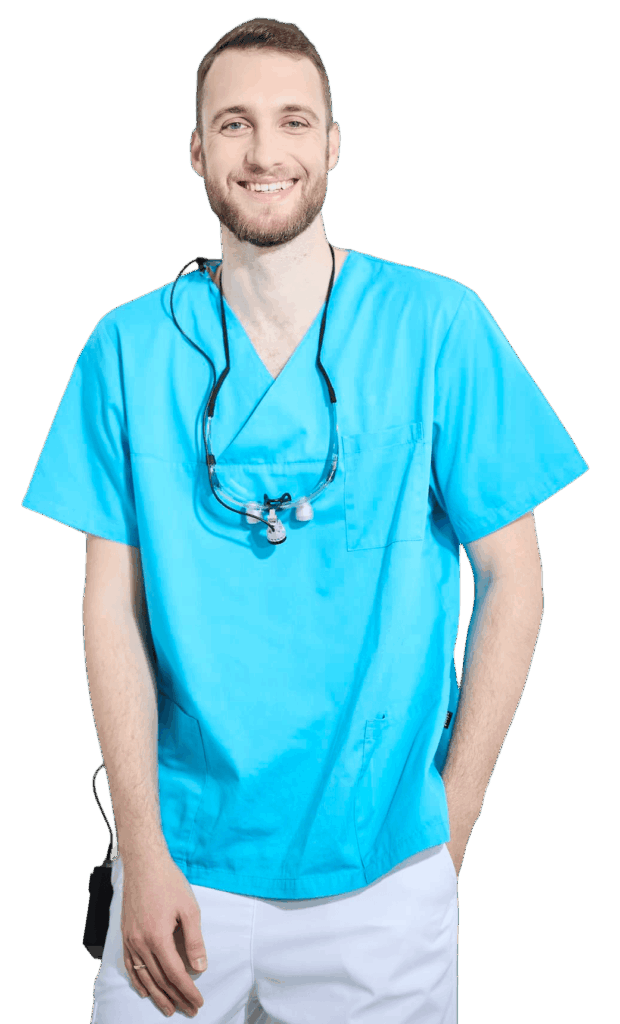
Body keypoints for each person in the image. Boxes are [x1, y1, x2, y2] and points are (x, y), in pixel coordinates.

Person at [21, 16, 588, 1024]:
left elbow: (516, 578)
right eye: (232, 124)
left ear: (331, 145)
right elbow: (108, 609)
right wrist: (141, 852)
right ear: (196, 150)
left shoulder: (437, 327)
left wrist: (448, 830)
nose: (263, 151)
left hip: (384, 870)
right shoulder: (128, 351)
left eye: (292, 121)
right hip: (181, 865)